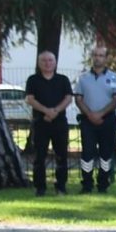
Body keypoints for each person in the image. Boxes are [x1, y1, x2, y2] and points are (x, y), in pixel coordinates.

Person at [23, 51, 73, 195]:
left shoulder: (63, 79)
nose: (47, 63)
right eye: (44, 60)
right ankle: (40, 188)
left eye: (50, 60)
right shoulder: (33, 80)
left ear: (55, 62)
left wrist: (55, 111)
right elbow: (30, 99)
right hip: (40, 122)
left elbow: (68, 98)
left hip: (60, 122)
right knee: (39, 156)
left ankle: (61, 187)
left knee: (61, 155)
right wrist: (46, 111)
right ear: (39, 63)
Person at [75, 51, 116, 193]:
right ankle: (87, 184)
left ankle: (103, 184)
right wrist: (90, 115)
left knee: (106, 153)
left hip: (107, 119)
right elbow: (78, 99)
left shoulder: (114, 77)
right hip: (87, 120)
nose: (98, 58)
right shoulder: (82, 78)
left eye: (101, 56)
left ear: (107, 58)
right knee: (87, 153)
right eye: (95, 55)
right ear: (91, 58)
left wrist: (100, 114)